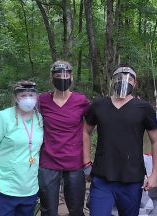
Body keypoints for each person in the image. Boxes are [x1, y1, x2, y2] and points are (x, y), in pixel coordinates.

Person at [83, 65, 157, 216]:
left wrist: (154, 175)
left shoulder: (144, 108)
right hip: (102, 178)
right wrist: (86, 163)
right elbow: (86, 132)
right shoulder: (99, 106)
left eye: (129, 78)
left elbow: (155, 141)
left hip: (132, 180)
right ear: (112, 81)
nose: (124, 81)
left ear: (135, 83)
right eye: (119, 77)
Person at [37, 60, 90, 216]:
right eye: (58, 74)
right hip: (48, 162)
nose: (62, 77)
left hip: (75, 162)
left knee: (76, 209)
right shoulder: (42, 101)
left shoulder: (81, 101)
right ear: (51, 77)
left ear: (71, 76)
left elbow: (94, 123)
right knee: (48, 209)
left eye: (66, 74)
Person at [0, 81, 43, 216]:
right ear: (16, 98)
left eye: (31, 95)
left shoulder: (39, 118)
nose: (28, 98)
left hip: (30, 188)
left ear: (36, 97)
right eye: (23, 95)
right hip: (3, 188)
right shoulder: (3, 117)